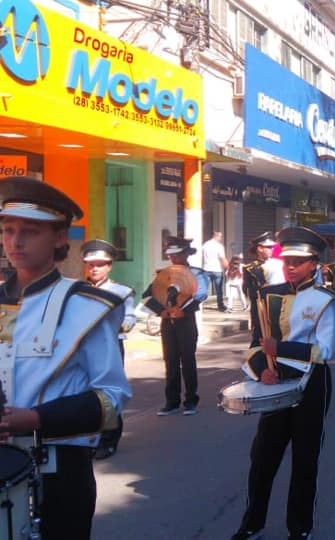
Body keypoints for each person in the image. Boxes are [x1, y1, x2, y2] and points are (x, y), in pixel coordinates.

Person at [0, 177, 131, 539]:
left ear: (60, 237)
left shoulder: (85, 306)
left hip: (60, 472)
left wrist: (37, 418)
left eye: (30, 230)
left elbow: (111, 397)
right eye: (8, 229)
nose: (15, 240)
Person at [231, 227, 335, 540]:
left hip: (311, 384)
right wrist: (260, 371)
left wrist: (280, 350)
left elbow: (324, 350)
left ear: (313, 264)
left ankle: (299, 529)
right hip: (275, 382)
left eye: (298, 261)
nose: (290, 265)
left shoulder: (326, 299)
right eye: (287, 260)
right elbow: (257, 343)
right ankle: (252, 524)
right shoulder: (268, 294)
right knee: (263, 458)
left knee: (305, 461)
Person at [82, 239, 137, 460]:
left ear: (109, 266)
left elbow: (130, 320)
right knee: (84, 391)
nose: (94, 268)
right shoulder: (77, 291)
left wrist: (110, 324)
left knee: (107, 392)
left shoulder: (120, 292)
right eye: (90, 264)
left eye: (100, 264)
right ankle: (89, 437)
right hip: (83, 348)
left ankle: (109, 439)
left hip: (111, 346)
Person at [143, 237, 208, 416]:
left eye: (177, 254)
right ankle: (171, 401)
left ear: (186, 254)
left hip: (186, 321)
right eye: (171, 255)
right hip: (167, 323)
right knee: (170, 361)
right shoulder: (164, 274)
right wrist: (160, 312)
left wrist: (183, 311)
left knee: (188, 360)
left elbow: (200, 295)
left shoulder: (196, 273)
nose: (173, 258)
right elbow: (148, 296)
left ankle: (191, 401)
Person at [243, 232, 285, 348]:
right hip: (261, 306)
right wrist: (260, 289)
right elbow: (246, 290)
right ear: (260, 248)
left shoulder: (279, 264)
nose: (272, 249)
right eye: (268, 247)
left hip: (278, 304)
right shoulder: (250, 268)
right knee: (259, 337)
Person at [202, 231, 229, 312]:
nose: (221, 238)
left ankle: (200, 304)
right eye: (220, 236)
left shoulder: (205, 244)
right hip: (217, 270)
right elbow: (222, 258)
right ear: (216, 236)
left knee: (204, 288)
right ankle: (220, 306)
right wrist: (228, 268)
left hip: (206, 269)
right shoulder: (219, 246)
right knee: (219, 290)